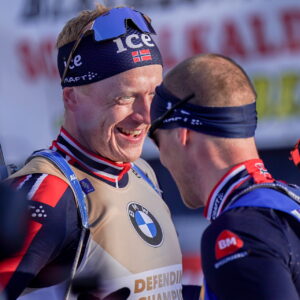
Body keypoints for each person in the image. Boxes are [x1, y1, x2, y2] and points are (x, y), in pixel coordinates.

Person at [0, 5, 184, 300]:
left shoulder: (141, 172)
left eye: (153, 94)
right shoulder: (49, 191)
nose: (146, 115)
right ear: (72, 98)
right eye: (124, 97)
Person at [149, 53, 300, 300]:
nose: (162, 159)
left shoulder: (237, 232)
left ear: (182, 135)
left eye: (157, 141)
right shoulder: (288, 200)